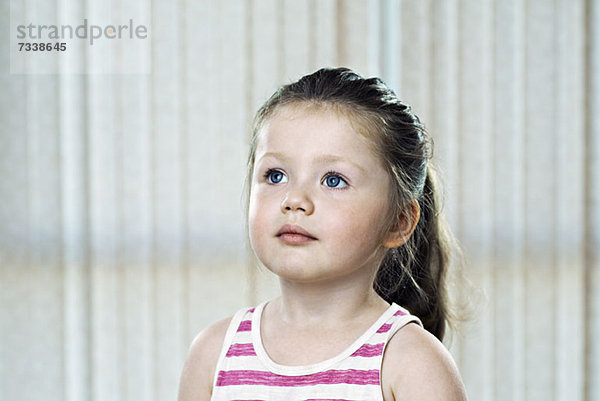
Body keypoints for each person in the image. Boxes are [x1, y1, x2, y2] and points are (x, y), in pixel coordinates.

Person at [178, 67, 468, 400]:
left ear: (399, 222)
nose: (294, 200)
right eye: (275, 176)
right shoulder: (213, 355)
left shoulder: (411, 363)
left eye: (333, 180)